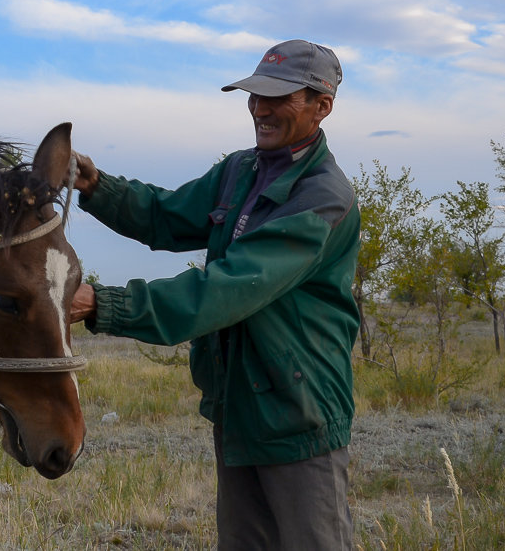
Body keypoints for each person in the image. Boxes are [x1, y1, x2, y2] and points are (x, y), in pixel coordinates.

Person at [68, 40, 360, 550]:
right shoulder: (240, 170)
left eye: (279, 96)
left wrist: (102, 303)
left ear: (322, 106)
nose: (259, 108)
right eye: (254, 95)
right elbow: (168, 215)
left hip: (298, 410)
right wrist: (96, 186)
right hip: (239, 408)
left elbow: (226, 290)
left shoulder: (323, 196)